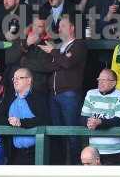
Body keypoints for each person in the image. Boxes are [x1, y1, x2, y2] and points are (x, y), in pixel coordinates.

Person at [38, 15, 87, 164]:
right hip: (53, 95)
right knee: (56, 134)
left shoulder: (79, 45)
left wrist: (55, 53)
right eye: (59, 26)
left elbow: (67, 63)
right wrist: (60, 57)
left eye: (63, 26)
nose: (59, 29)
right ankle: (59, 167)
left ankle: (75, 167)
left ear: (72, 28)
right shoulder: (59, 47)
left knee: (72, 134)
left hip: (69, 94)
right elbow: (48, 66)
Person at [81, 69, 120, 165]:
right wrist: (90, 122)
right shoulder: (91, 93)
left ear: (114, 83)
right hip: (94, 152)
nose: (100, 83)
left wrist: (100, 122)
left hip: (116, 151)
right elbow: (82, 118)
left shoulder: (119, 95)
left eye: (104, 80)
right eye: (99, 80)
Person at [7, 68, 47, 165]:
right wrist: (10, 121)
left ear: (29, 80)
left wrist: (21, 122)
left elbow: (44, 120)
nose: (15, 81)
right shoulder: (9, 98)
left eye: (19, 78)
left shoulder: (38, 97)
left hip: (36, 152)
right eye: (13, 78)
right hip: (16, 153)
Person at [5, 18, 53, 94]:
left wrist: (23, 61)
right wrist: (26, 44)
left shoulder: (49, 44)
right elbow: (8, 59)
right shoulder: (21, 40)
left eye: (40, 26)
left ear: (45, 29)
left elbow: (45, 66)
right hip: (13, 88)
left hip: (35, 90)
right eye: (34, 25)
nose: (36, 29)